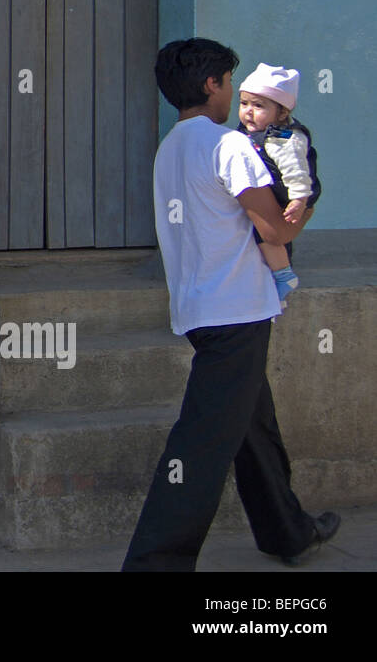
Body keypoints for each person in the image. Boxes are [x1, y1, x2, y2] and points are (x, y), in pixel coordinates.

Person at [121, 38, 338, 571]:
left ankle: (287, 531)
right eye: (230, 84)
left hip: (200, 310)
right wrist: (308, 198)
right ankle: (156, 563)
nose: (237, 102)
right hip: (236, 313)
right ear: (210, 85)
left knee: (252, 426)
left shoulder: (171, 146)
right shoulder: (228, 145)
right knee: (199, 446)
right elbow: (274, 227)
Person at [236, 63, 321, 300]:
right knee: (262, 235)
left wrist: (299, 198)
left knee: (267, 235)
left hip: (286, 197)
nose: (248, 112)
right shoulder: (248, 132)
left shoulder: (283, 138)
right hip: (271, 194)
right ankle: (277, 278)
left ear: (282, 113)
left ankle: (283, 275)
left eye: (259, 105)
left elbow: (297, 170)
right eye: (244, 104)